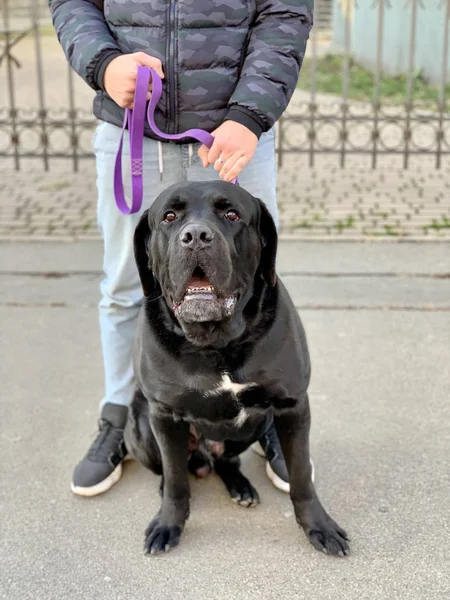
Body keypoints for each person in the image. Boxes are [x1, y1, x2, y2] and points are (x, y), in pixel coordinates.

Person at [50, 0, 313, 497]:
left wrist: (249, 112)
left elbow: (285, 10)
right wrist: (103, 64)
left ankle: (267, 413)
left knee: (250, 282)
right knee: (128, 285)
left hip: (231, 134)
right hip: (132, 124)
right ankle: (122, 415)